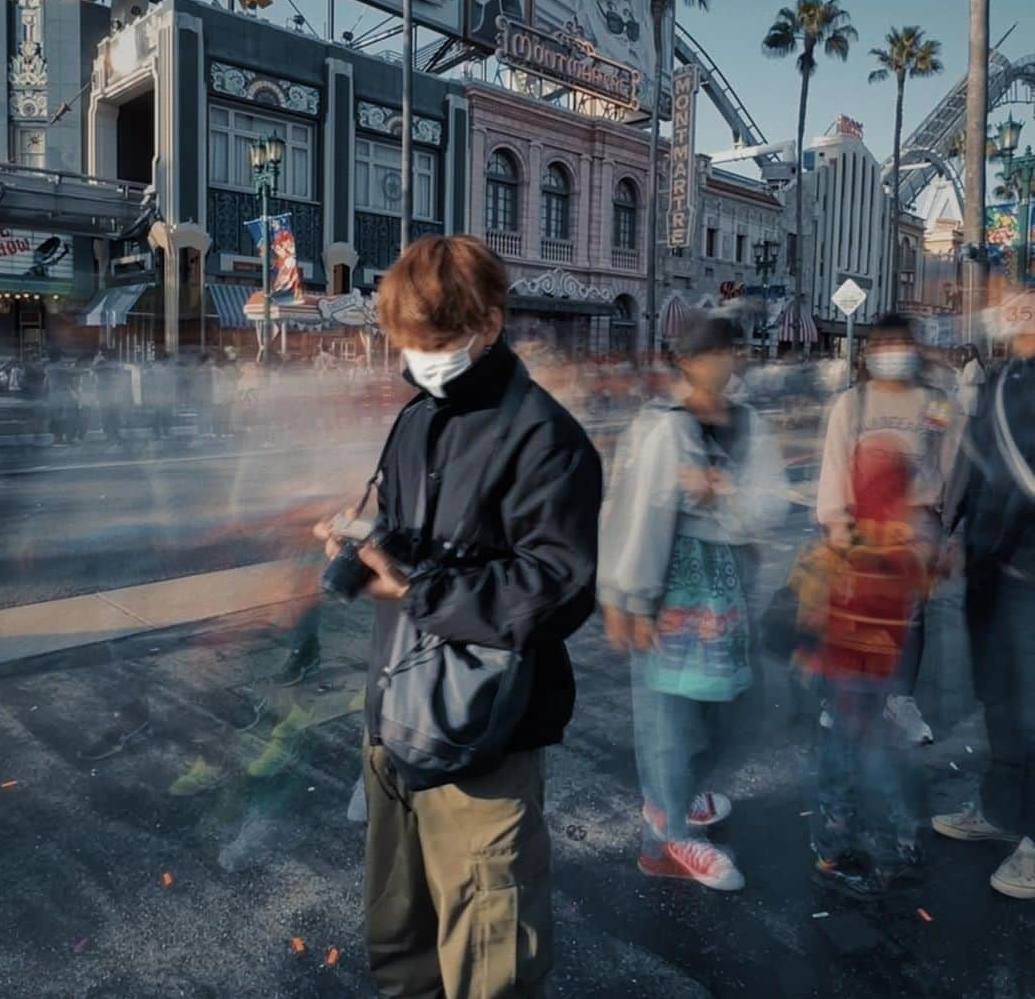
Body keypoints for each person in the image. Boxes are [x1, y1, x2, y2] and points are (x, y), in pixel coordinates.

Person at [320, 235, 600, 999]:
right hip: (396, 718)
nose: (419, 358)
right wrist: (362, 547)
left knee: (489, 958)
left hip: (487, 738)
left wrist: (412, 588)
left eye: (435, 342)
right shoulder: (417, 418)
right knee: (399, 938)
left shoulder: (548, 440)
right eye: (407, 344)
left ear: (489, 324)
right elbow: (409, 540)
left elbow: (557, 589)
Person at [598, 311, 788, 891]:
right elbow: (633, 514)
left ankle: (677, 795)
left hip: (728, 589)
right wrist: (624, 596)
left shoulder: (749, 422)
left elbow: (769, 502)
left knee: (732, 709)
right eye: (711, 354)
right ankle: (668, 833)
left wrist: (720, 495)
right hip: (669, 585)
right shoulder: (662, 426)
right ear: (686, 361)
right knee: (667, 713)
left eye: (731, 353)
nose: (723, 364)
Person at [816, 313, 958, 746]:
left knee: (911, 617)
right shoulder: (853, 403)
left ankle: (900, 699)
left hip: (918, 521)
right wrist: (836, 525)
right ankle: (842, 697)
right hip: (863, 520)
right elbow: (835, 464)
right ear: (871, 352)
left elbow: (951, 465)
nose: (894, 353)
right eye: (885, 345)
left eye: (902, 343)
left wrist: (951, 533)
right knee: (857, 614)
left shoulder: (936, 403)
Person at [934, 304, 1035, 900]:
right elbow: (975, 465)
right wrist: (955, 533)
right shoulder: (1002, 380)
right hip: (991, 569)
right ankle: (1001, 812)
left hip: (1030, 569)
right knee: (1000, 699)